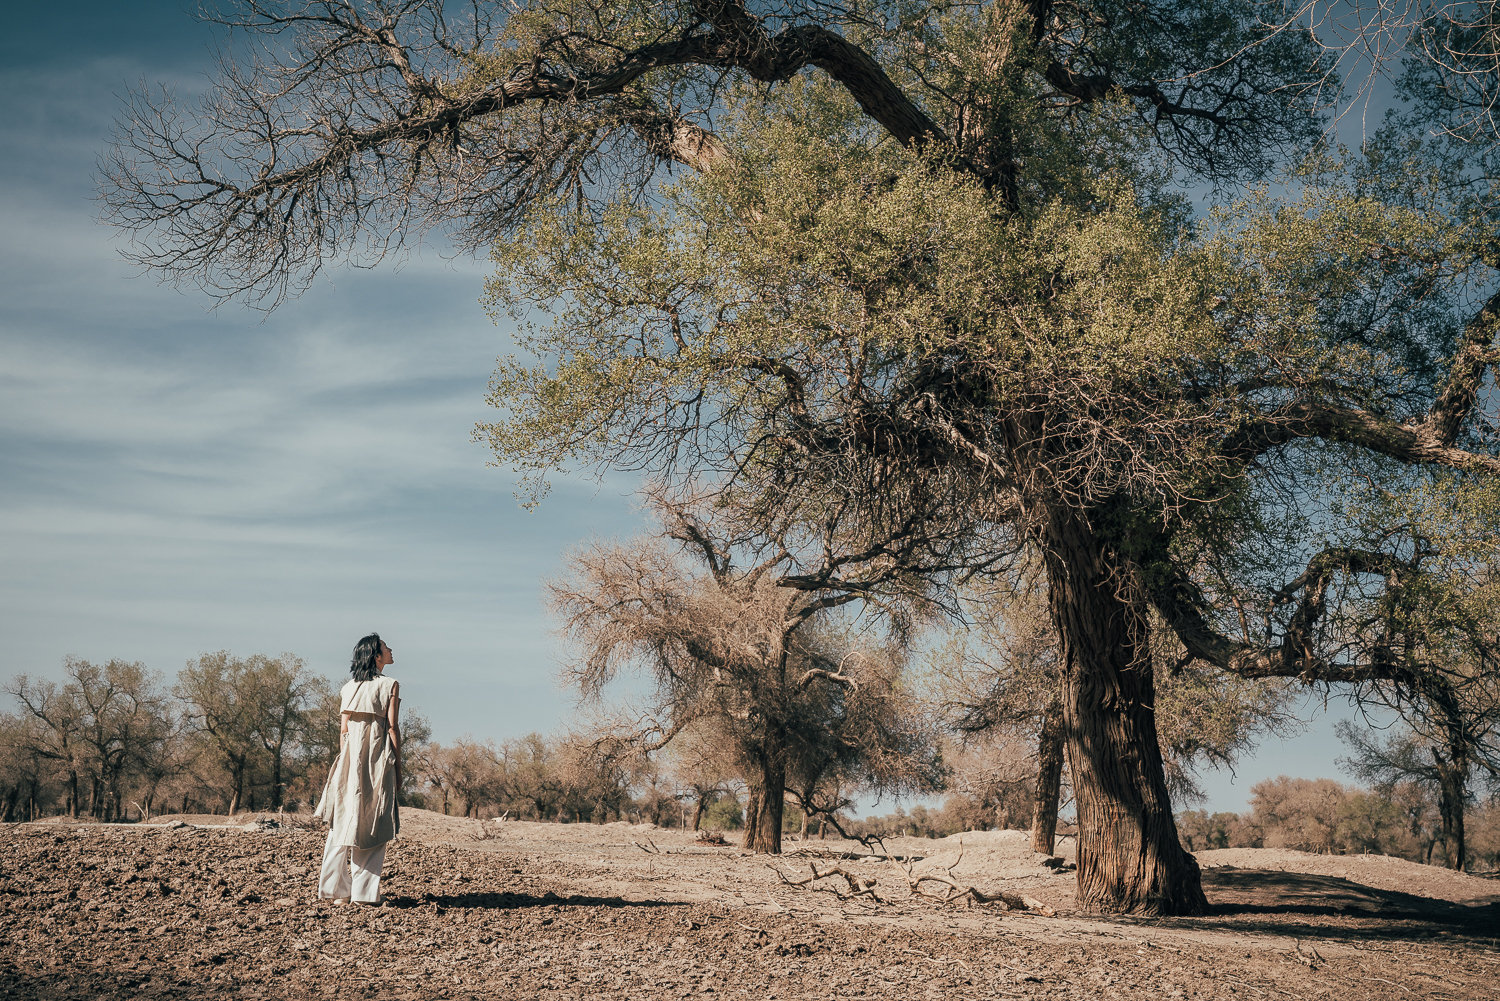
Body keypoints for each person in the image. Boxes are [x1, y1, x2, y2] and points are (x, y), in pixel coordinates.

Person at [315, 632, 401, 904]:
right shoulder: (390, 685)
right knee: (373, 823)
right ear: (377, 656)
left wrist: (345, 762)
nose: (390, 650)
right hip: (376, 760)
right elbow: (392, 728)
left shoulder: (348, 687)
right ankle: (364, 894)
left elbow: (343, 730)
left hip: (349, 762)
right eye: (386, 647)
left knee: (342, 823)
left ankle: (334, 890)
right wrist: (398, 766)